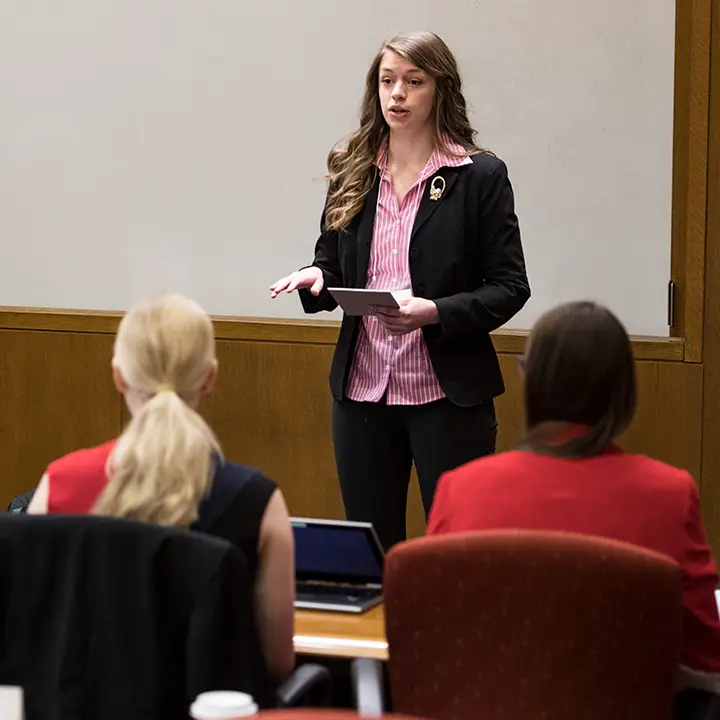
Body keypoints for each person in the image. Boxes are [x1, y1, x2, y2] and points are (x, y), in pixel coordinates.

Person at [270, 30, 530, 549]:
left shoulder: (478, 176)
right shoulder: (354, 166)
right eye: (388, 81)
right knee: (372, 548)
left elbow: (509, 286)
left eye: (414, 82)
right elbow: (331, 259)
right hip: (364, 392)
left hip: (447, 395)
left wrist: (434, 311)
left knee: (456, 550)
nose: (398, 95)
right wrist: (318, 278)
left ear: (441, 89)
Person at [427, 301, 720, 690]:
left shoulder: (459, 490)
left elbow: (433, 634)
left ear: (527, 379)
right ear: (625, 391)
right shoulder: (670, 496)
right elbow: (705, 656)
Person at [27, 292, 295, 682]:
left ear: (118, 376)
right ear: (210, 378)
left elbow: (30, 630)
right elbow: (276, 661)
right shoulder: (258, 500)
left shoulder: (59, 484)